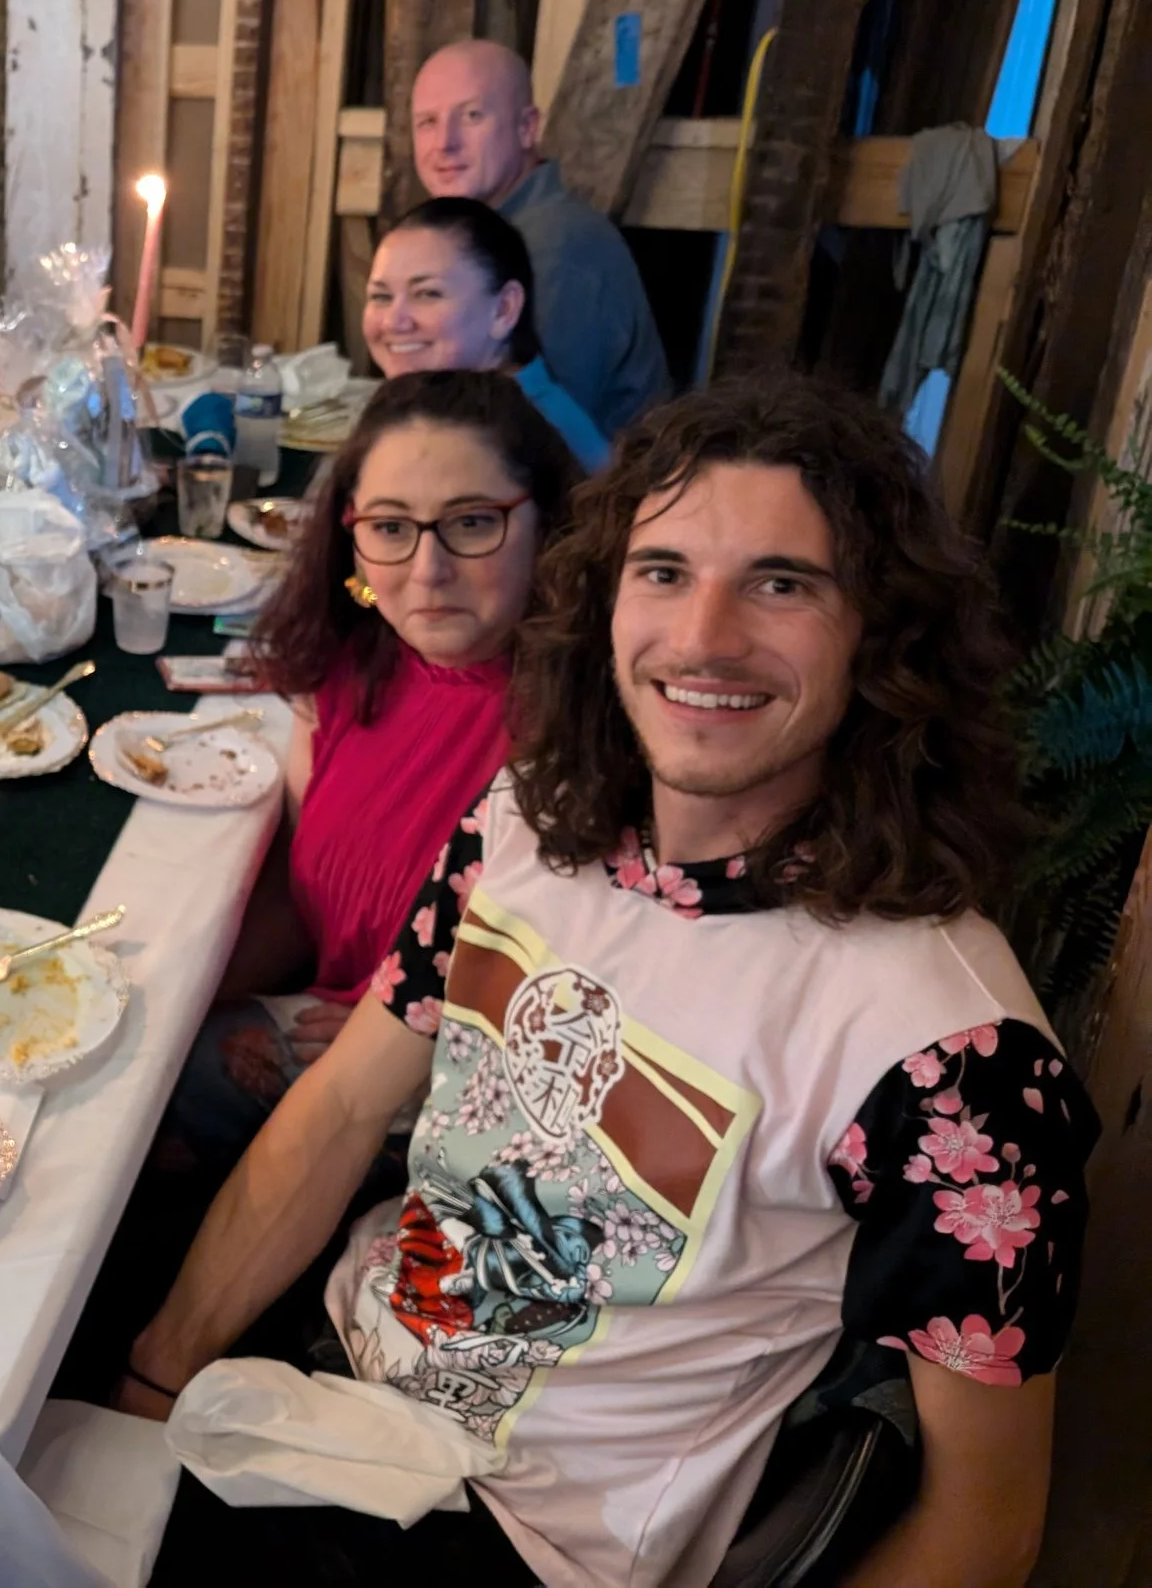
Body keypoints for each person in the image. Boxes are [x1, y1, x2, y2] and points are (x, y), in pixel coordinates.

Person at [120, 378, 1095, 1588]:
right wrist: (149, 1383)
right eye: (665, 570)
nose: (702, 639)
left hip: (521, 1536)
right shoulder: (524, 819)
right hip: (337, 1363)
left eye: (782, 582)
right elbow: (337, 1110)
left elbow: (981, 1531)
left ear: (882, 633)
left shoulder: (960, 1061)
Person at [165, 371, 580, 1169]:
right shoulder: (352, 668)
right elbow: (306, 891)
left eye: (471, 522)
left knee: (167, 1084)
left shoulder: (575, 728)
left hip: (463, 1088)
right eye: (390, 527)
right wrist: (185, 992)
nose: (427, 569)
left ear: (548, 524)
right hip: (339, 1015)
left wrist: (396, 1043)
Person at [410, 37, 670, 436]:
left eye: (472, 116)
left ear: (527, 128)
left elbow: (529, 437)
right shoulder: (478, 236)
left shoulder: (558, 248)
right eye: (427, 122)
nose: (445, 142)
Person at [362, 196, 610, 471]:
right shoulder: (455, 411)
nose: (393, 322)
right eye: (381, 296)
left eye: (428, 293)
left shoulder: (522, 432)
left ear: (504, 309)